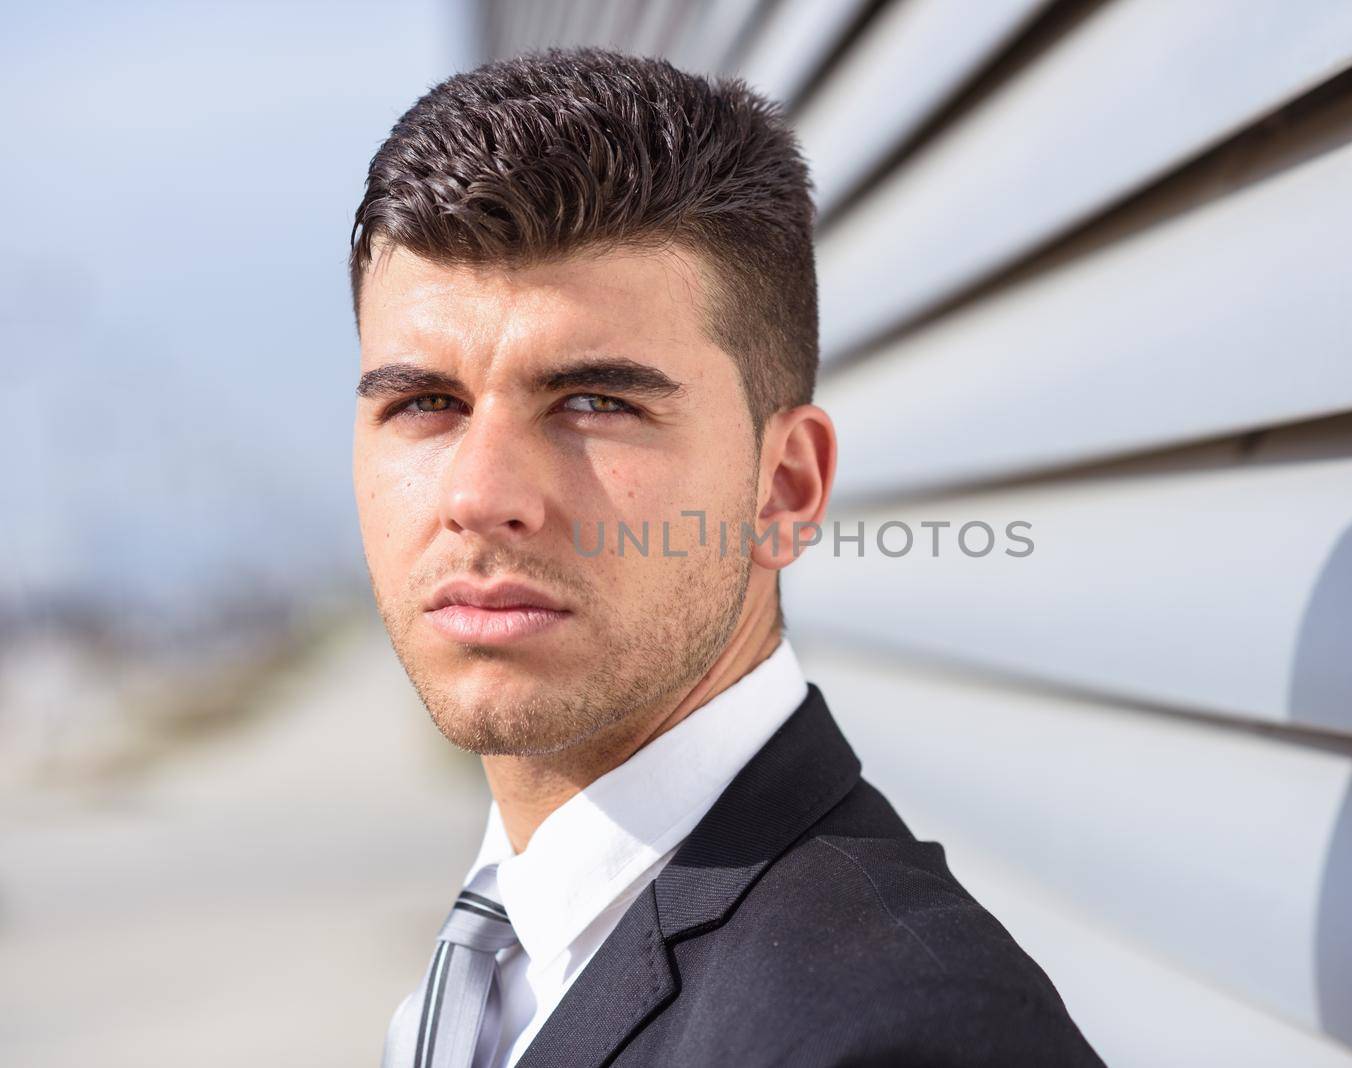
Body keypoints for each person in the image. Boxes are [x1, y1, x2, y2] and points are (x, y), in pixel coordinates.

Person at [350, 46, 1103, 1068]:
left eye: (594, 403)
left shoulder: (902, 1034)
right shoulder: (502, 954)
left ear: (784, 485)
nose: (482, 498)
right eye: (425, 404)